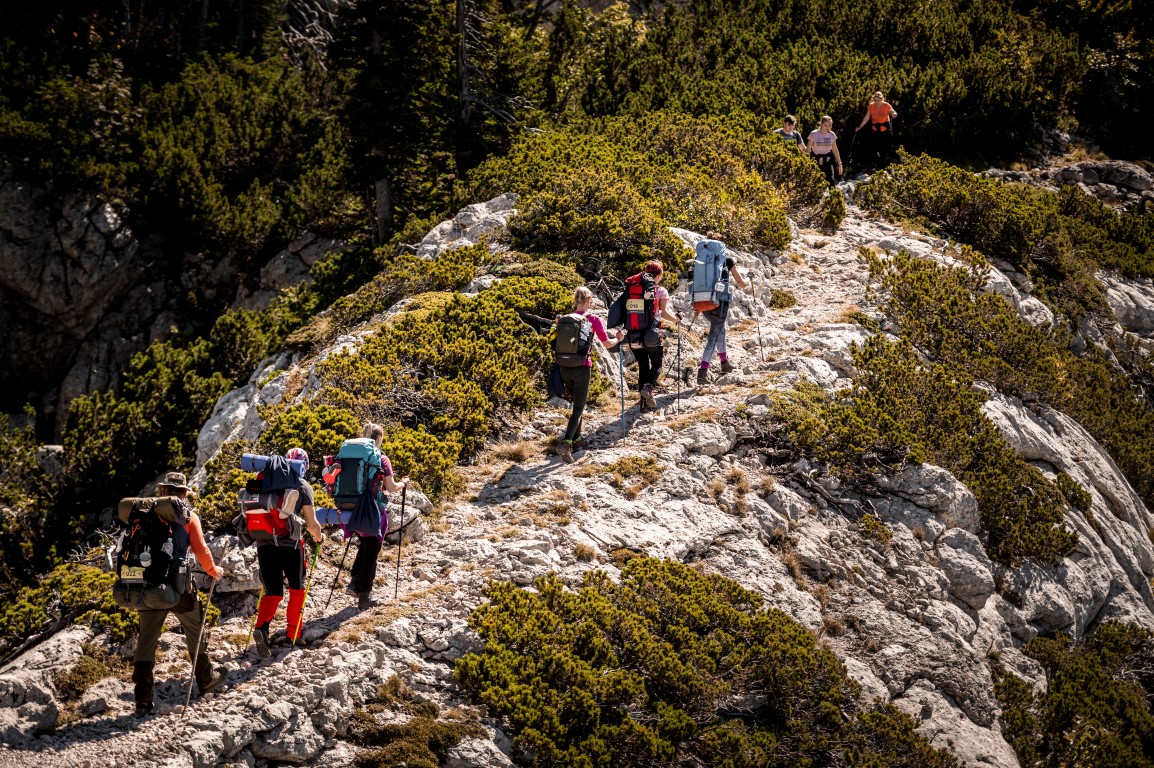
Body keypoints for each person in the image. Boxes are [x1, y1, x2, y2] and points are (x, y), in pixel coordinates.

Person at [132, 471, 226, 717]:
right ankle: (206, 679)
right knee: (195, 627)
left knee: (146, 640)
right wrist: (213, 570)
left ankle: (142, 699)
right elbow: (202, 550)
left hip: (147, 586)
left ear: (163, 492)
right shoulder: (188, 517)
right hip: (178, 587)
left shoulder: (143, 515)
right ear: (184, 493)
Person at [251, 447, 322, 657]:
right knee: (297, 589)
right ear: (304, 466)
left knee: (272, 591)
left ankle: (261, 628)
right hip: (291, 545)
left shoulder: (263, 481)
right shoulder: (302, 486)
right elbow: (311, 524)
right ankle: (294, 633)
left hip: (264, 543)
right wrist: (319, 538)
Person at [344, 423, 409, 609]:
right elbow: (391, 487)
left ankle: (354, 582)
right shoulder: (381, 458)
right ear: (379, 439)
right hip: (372, 511)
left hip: (351, 508)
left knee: (365, 544)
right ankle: (365, 596)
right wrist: (404, 484)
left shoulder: (353, 455)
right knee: (372, 550)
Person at [556, 287, 624, 462]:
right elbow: (608, 344)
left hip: (563, 366)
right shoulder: (592, 319)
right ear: (587, 300)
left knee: (575, 404)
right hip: (582, 367)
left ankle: (577, 439)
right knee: (579, 407)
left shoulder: (564, 319)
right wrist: (619, 338)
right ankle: (566, 442)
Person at [696, 235, 749, 385]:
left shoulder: (701, 260)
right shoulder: (727, 260)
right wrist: (749, 278)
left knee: (720, 330)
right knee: (714, 335)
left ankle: (724, 363)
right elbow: (741, 283)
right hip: (720, 302)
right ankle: (702, 372)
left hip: (702, 300)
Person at [630, 260, 682, 413]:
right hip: (652, 334)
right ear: (659, 275)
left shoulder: (634, 289)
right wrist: (677, 319)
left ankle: (643, 404)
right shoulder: (661, 291)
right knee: (657, 364)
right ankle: (648, 387)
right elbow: (664, 314)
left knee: (643, 367)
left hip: (634, 334)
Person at [856, 91, 897, 169]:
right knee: (872, 148)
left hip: (885, 130)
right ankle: (876, 165)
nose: (877, 102)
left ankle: (882, 167)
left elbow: (892, 111)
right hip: (875, 130)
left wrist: (894, 114)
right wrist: (860, 127)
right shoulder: (871, 106)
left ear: (882, 99)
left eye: (878, 100)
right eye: (875, 100)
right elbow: (867, 117)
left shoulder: (886, 105)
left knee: (883, 149)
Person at [807, 115, 843, 185]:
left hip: (827, 160)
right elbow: (808, 149)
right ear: (821, 124)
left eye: (829, 125)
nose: (827, 127)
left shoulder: (832, 135)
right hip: (815, 160)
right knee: (814, 181)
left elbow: (835, 149)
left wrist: (839, 163)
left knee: (830, 180)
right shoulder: (814, 134)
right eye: (825, 125)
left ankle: (832, 195)